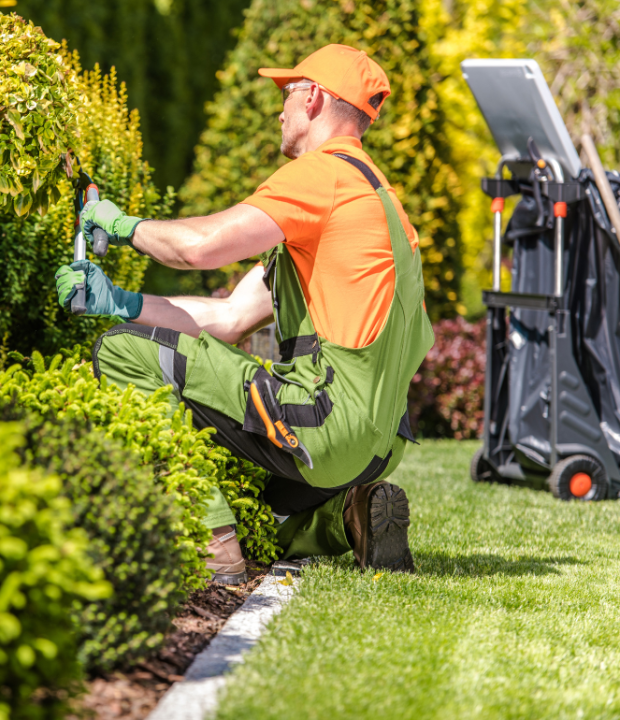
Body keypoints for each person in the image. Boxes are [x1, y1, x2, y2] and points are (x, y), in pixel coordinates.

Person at [54, 44, 434, 584]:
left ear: (315, 98)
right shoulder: (378, 201)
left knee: (120, 351)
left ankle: (211, 546)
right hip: (376, 446)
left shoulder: (322, 175)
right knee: (251, 503)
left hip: (324, 423)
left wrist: (120, 225)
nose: (279, 110)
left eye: (286, 94)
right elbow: (231, 317)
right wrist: (120, 302)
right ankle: (346, 518)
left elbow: (198, 248)